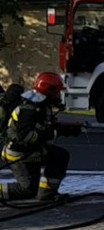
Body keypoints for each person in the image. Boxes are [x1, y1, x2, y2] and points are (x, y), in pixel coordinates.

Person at [0, 72, 77, 202]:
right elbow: (26, 136)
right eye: (57, 91)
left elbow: (44, 126)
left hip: (29, 151)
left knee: (58, 157)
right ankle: (46, 194)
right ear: (50, 90)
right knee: (27, 190)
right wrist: (55, 133)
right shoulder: (30, 109)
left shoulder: (40, 105)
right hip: (19, 153)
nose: (59, 95)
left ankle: (46, 193)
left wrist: (65, 129)